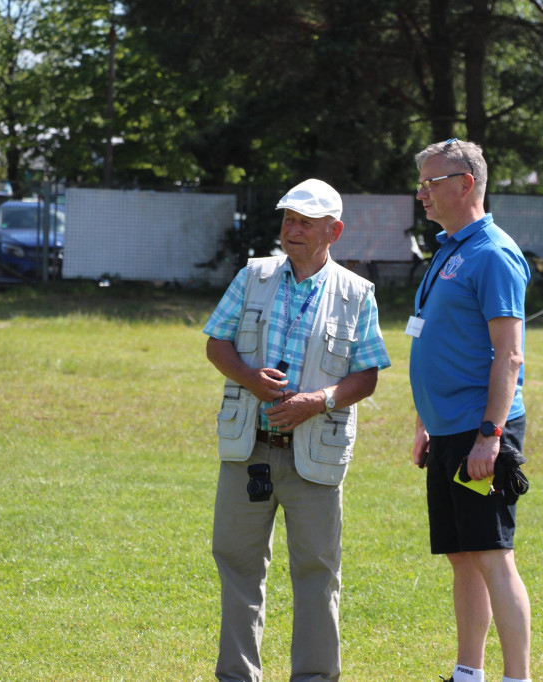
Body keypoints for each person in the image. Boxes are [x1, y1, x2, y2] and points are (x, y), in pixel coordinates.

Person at [203, 178, 391, 682]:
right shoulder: (253, 276)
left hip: (316, 457)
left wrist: (319, 401)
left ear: (335, 230)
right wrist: (248, 378)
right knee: (237, 566)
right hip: (249, 449)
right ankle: (237, 676)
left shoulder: (357, 293)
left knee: (317, 575)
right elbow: (216, 343)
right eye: (289, 219)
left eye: (306, 222)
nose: (293, 229)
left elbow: (368, 374)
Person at [407, 139, 532, 682]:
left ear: (465, 183)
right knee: (463, 556)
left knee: (492, 553)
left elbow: (509, 354)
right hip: (448, 428)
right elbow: (438, 340)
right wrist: (424, 423)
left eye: (430, 183)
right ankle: (468, 674)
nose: (421, 194)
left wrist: (491, 435)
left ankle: (516, 678)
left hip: (481, 429)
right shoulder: (448, 249)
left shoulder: (494, 253)